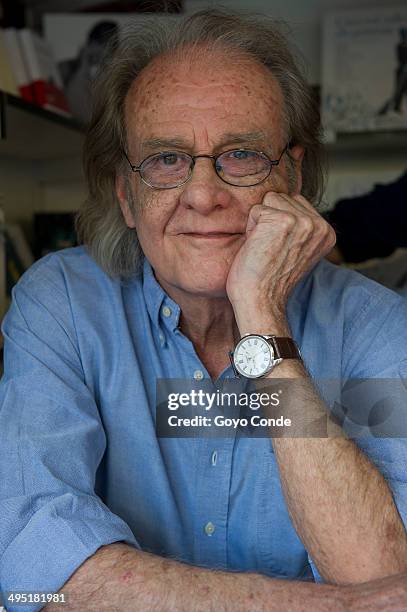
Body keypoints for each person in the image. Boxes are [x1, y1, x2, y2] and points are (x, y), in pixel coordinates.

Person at [0, 9, 407, 611]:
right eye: (166, 160)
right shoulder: (60, 304)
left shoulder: (374, 323)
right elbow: (31, 564)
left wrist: (263, 319)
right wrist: (332, 608)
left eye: (241, 155)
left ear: (292, 176)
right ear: (127, 194)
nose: (203, 195)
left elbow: (385, 570)